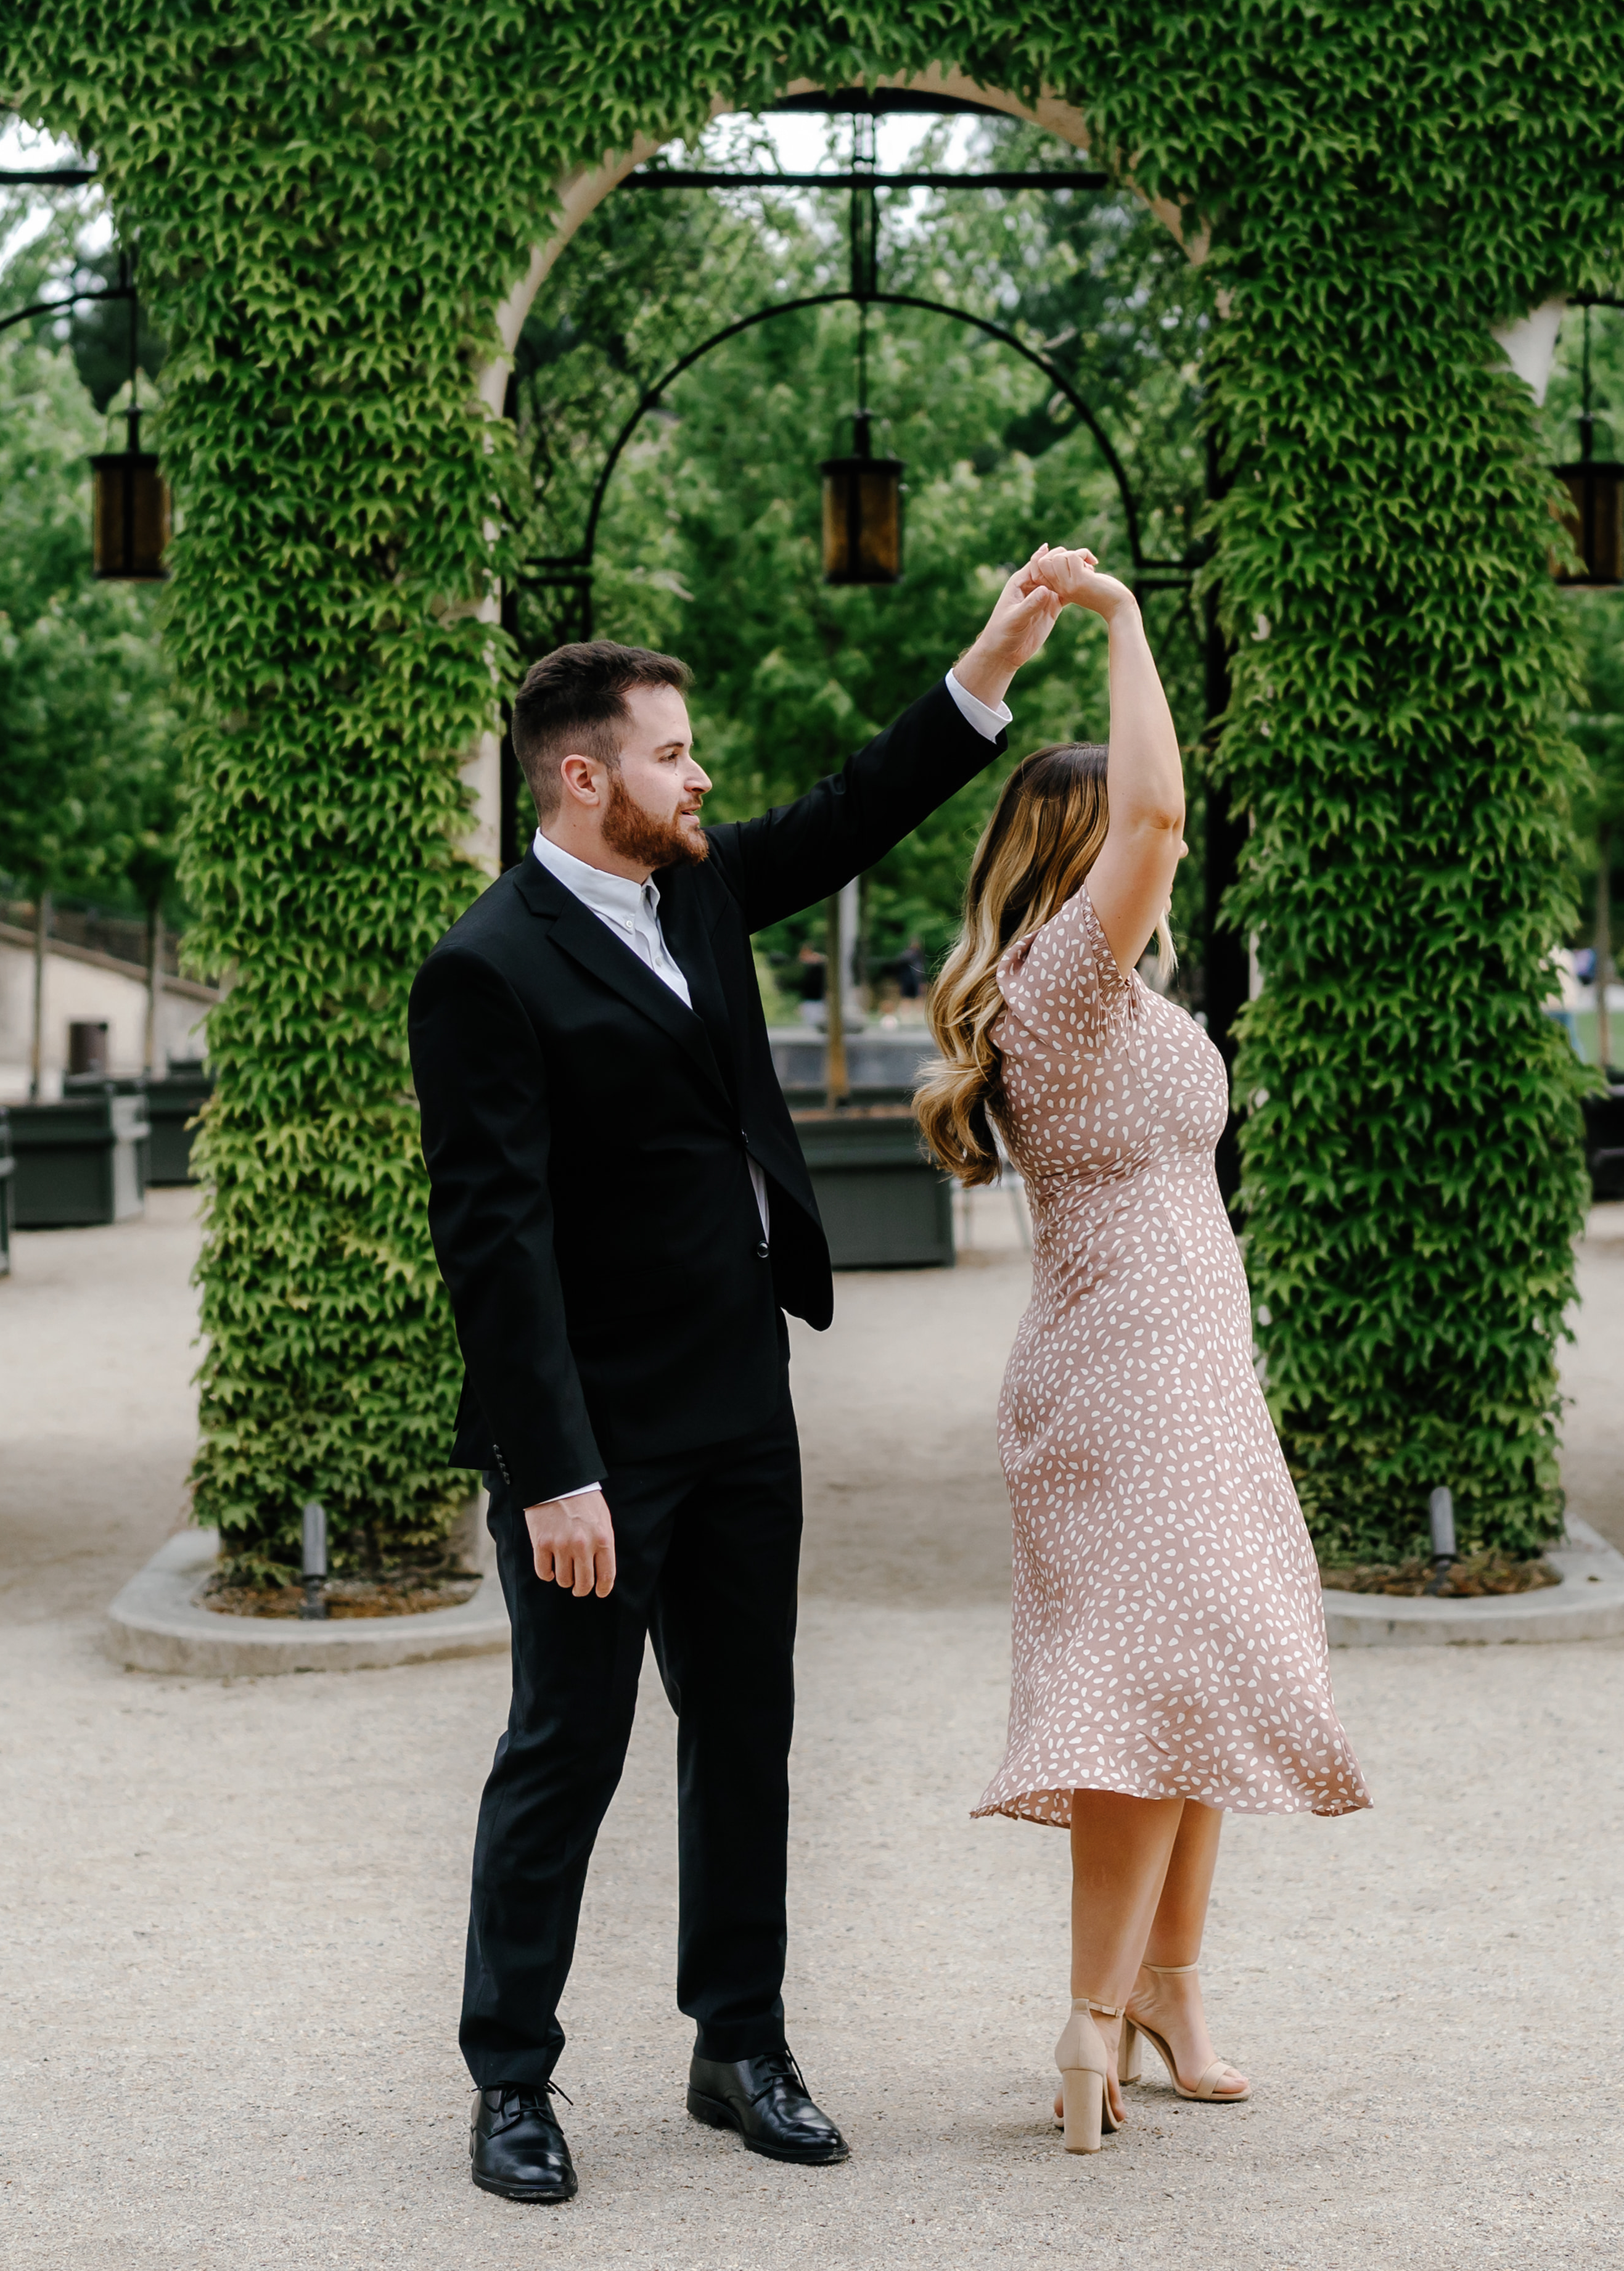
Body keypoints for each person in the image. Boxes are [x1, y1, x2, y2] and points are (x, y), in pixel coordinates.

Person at [408, 577, 1061, 2208]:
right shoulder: (486, 970)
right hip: (594, 1444)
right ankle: (511, 2078)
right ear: (582, 775)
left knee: (747, 1730)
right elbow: (495, 1246)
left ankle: (740, 2043)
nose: (701, 781)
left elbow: (860, 806)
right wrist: (553, 1473)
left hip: (740, 1405)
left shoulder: (697, 887)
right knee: (567, 1741)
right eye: (674, 754)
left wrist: (991, 660)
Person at [912, 546, 1369, 2158]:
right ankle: (1096, 2018)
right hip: (1129, 1382)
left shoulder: (1089, 997)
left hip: (1179, 1365)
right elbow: (1168, 817)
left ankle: (1167, 1991)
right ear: (1074, 852)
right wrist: (1125, 622)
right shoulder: (1064, 983)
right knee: (1135, 1690)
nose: (1151, 866)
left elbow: (1160, 830)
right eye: (1119, 846)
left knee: (1204, 1670)